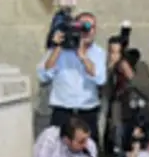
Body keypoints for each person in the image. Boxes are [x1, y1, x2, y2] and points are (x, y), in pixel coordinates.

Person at [37, 12, 106, 146]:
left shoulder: (98, 52)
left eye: (92, 27)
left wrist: (82, 56)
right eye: (84, 27)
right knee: (57, 153)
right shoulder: (59, 50)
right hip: (63, 110)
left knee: (89, 155)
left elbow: (100, 78)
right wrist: (58, 47)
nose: (88, 31)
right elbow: (43, 74)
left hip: (87, 111)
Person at [102, 35, 149, 157]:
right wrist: (109, 72)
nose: (113, 56)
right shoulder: (111, 71)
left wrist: (130, 75)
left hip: (137, 118)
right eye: (111, 52)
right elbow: (106, 94)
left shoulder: (139, 66)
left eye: (116, 52)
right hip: (118, 121)